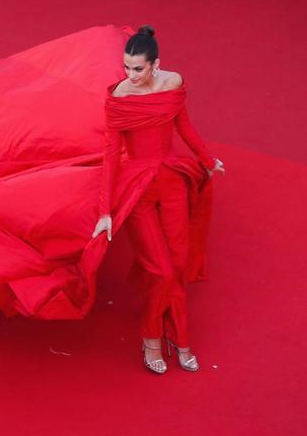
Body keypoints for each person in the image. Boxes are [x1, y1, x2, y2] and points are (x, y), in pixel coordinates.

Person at [91, 25, 226, 374]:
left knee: (177, 267)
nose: (130, 75)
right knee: (161, 270)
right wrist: (104, 210)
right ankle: (151, 337)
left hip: (172, 185)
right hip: (137, 190)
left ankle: (180, 338)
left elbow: (185, 127)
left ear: (156, 64)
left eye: (138, 68)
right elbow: (109, 155)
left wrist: (208, 160)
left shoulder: (173, 83)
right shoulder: (119, 98)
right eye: (126, 67)